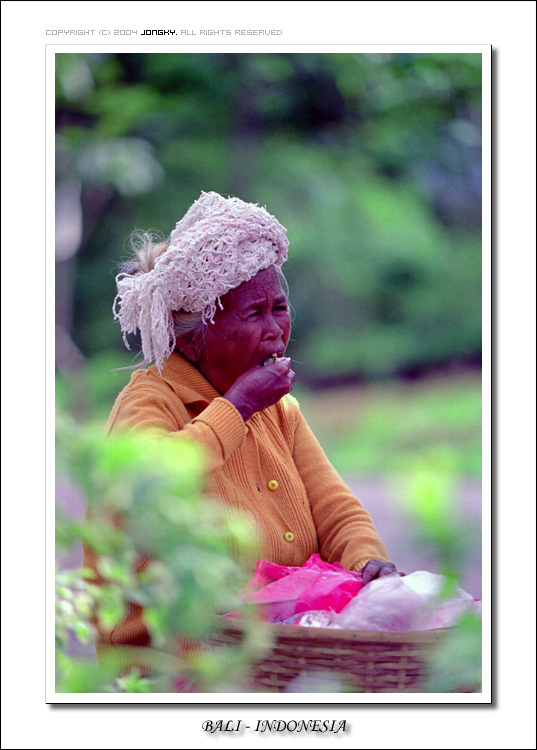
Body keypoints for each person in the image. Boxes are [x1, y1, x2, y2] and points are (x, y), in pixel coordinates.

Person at [84, 191, 396, 651]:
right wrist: (237, 408)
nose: (275, 330)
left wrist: (369, 562)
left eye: (280, 308)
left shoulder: (279, 409)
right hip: (173, 665)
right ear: (191, 340)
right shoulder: (151, 401)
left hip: (272, 648)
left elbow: (336, 510)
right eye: (253, 313)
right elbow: (145, 485)